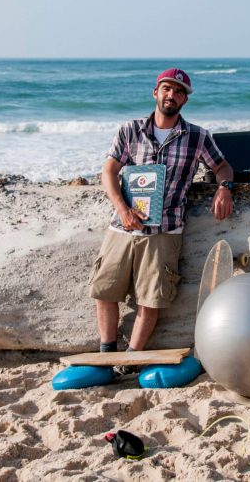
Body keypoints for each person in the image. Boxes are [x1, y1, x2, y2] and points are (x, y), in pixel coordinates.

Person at [89, 68, 233, 358]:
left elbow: (222, 167)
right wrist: (122, 208)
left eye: (179, 91)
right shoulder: (129, 130)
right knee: (104, 291)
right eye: (167, 88)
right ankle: (106, 355)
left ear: (184, 100)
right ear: (156, 92)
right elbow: (109, 171)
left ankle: (129, 360)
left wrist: (224, 188)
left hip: (165, 231)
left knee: (150, 300)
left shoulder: (197, 137)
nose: (172, 94)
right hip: (123, 226)